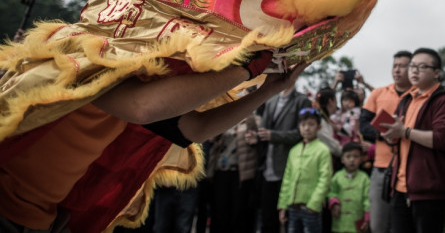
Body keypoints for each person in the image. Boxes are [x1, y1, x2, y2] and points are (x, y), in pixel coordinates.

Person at [0, 55, 307, 233]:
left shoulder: (145, 76)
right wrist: (246, 68)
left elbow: (195, 129)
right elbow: (141, 107)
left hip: (45, 220)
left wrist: (268, 89)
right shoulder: (88, 58)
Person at [381, 48, 445, 233]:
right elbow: (401, 139)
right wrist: (393, 135)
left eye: (422, 67)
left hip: (428, 191)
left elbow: (443, 139)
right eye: (412, 66)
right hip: (399, 188)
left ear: (436, 73)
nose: (414, 71)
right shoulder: (406, 99)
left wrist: (405, 131)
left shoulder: (443, 101)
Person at [359, 50, 412, 233]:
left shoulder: (418, 95)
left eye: (402, 66)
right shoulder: (378, 93)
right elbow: (363, 125)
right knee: (378, 225)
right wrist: (384, 134)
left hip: (409, 168)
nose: (397, 70)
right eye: (395, 66)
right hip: (381, 167)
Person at [254, 82, 313, 233]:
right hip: (267, 168)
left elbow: (301, 133)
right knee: (267, 219)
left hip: (289, 168)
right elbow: (264, 131)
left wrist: (273, 136)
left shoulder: (302, 100)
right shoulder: (270, 100)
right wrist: (256, 137)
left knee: (289, 221)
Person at [278, 107, 333, 233]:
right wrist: (283, 205)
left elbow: (325, 179)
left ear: (319, 127)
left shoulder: (323, 150)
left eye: (311, 124)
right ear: (299, 126)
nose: (307, 128)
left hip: (311, 208)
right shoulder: (294, 150)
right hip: (293, 207)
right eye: (303, 124)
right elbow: (287, 179)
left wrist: (314, 204)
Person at [328, 142, 370, 232]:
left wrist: (367, 217)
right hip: (340, 223)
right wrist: (334, 203)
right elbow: (331, 192)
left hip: (357, 221)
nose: (352, 160)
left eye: (356, 156)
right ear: (342, 159)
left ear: (361, 159)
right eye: (348, 157)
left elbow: (367, 199)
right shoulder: (337, 177)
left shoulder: (364, 178)